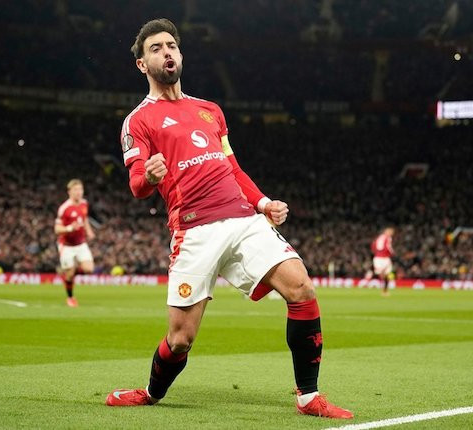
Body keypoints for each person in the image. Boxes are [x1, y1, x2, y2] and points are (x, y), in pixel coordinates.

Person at [106, 18, 353, 419]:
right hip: (194, 229)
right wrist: (149, 176)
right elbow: (137, 185)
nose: (166, 52)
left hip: (243, 220)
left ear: (181, 55)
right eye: (156, 48)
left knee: (302, 289)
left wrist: (263, 203)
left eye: (171, 46)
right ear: (142, 64)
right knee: (181, 339)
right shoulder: (138, 121)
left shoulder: (210, 111)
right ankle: (151, 392)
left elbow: (232, 169)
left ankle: (308, 397)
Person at [54, 179, 95, 307]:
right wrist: (69, 228)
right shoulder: (64, 208)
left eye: (80, 189)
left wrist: (89, 231)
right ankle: (70, 297)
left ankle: (69, 272)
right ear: (69, 192)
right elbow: (57, 229)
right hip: (66, 245)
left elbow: (84, 218)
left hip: (81, 243)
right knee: (70, 275)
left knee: (89, 269)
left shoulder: (84, 203)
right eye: (76, 190)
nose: (79, 192)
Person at [371, 227, 395, 296]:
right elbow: (388, 247)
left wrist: (375, 253)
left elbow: (373, 245)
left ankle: (383, 289)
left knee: (381, 274)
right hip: (384, 258)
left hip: (377, 258)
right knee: (387, 274)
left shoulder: (379, 237)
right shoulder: (388, 238)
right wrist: (392, 253)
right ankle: (385, 290)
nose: (391, 234)